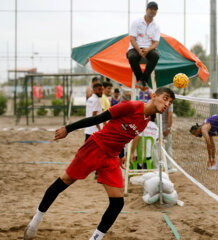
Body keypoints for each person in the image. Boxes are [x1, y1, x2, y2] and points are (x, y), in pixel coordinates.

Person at [23, 87, 175, 240]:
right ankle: (36, 220)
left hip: (111, 158)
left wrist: (121, 154)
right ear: (154, 96)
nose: (167, 103)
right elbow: (98, 119)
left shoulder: (146, 120)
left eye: (170, 102)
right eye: (165, 98)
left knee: (117, 203)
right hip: (96, 147)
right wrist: (68, 129)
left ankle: (95, 238)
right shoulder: (130, 106)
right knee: (64, 181)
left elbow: (124, 136)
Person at [127, 1, 160, 89]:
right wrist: (139, 50)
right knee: (131, 56)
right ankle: (142, 80)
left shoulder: (156, 26)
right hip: (135, 48)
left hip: (148, 48)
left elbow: (156, 43)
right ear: (146, 10)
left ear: (156, 12)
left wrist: (148, 49)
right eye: (151, 9)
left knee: (155, 55)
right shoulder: (136, 22)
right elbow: (132, 39)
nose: (152, 11)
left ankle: (142, 80)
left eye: (155, 9)